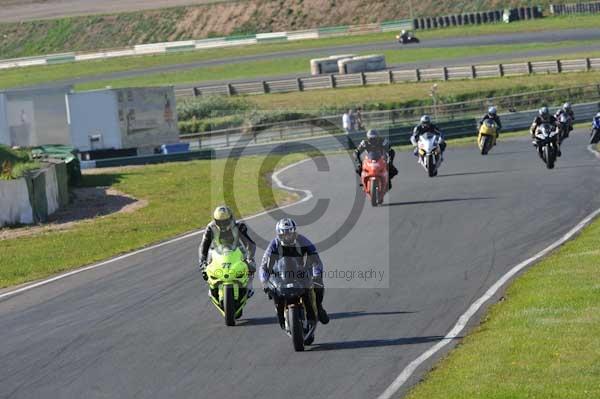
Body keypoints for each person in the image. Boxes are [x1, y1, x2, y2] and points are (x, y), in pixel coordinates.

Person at [260, 218, 329, 327]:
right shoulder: (274, 244)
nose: (288, 237)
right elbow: (263, 265)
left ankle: (319, 307)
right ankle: (281, 316)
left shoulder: (303, 241)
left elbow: (316, 260)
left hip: (301, 272)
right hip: (281, 274)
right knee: (272, 291)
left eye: (290, 234)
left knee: (318, 286)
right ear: (279, 235)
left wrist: (317, 275)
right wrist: (264, 281)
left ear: (295, 233)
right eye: (284, 234)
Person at [199, 205, 257, 297]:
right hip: (216, 253)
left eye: (225, 221)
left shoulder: (239, 226)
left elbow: (250, 244)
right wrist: (202, 263)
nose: (222, 225)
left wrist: (250, 258)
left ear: (231, 218)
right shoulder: (211, 227)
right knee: (205, 269)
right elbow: (203, 246)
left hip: (237, 251)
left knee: (251, 265)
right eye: (219, 222)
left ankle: (249, 286)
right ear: (215, 220)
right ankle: (212, 286)